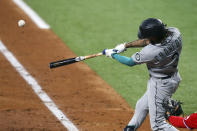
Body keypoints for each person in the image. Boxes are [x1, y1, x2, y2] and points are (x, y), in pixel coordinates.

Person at [102, 18, 183, 131]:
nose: (145, 38)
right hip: (173, 77)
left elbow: (130, 62)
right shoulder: (175, 33)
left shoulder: (151, 52)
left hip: (160, 85)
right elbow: (149, 40)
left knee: (158, 125)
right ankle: (130, 129)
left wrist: (112, 54)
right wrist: (125, 45)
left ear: (153, 36)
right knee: (142, 105)